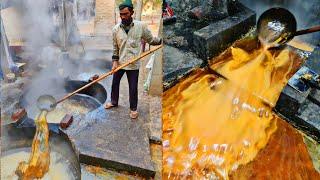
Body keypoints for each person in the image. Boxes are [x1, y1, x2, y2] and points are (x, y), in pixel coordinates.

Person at [104, 0, 162, 119]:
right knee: (115, 83)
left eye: (125, 14)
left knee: (133, 87)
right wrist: (115, 62)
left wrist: (161, 41)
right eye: (121, 14)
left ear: (132, 13)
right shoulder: (115, 30)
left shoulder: (140, 26)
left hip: (133, 64)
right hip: (120, 63)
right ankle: (114, 102)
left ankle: (133, 109)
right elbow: (115, 48)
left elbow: (150, 40)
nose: (123, 17)